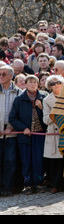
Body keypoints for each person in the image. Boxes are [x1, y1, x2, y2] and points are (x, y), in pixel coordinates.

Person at [9, 74, 47, 194]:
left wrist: (41, 108)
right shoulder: (19, 99)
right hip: (25, 135)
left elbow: (49, 115)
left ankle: (39, 183)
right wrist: (23, 128)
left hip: (40, 134)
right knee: (26, 160)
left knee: (38, 159)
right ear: (25, 84)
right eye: (30, 82)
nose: (32, 85)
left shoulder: (43, 98)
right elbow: (13, 118)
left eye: (34, 82)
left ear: (38, 84)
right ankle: (28, 184)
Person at [0, 63, 22, 196]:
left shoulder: (19, 92)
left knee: (10, 160)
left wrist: (11, 127)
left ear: (11, 76)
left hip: (12, 132)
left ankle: (7, 187)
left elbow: (21, 113)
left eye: (4, 74)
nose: (1, 77)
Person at [42, 74, 64, 193]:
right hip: (53, 133)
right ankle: (55, 184)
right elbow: (46, 120)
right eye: (52, 83)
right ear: (49, 87)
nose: (56, 85)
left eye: (58, 82)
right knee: (55, 161)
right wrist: (56, 111)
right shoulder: (47, 100)